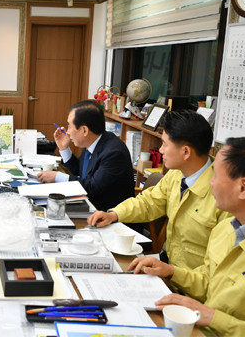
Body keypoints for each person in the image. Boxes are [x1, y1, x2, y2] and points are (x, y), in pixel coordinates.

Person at [128, 137, 245, 337]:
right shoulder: (227, 228)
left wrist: (213, 318)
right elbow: (211, 281)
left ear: (244, 187)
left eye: (216, 176)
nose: (210, 182)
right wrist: (171, 271)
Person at [88, 111, 231, 269]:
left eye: (164, 144)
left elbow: (217, 265)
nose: (160, 150)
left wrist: (174, 274)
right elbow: (148, 203)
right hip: (168, 264)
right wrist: (114, 214)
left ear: (186, 152)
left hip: (191, 281)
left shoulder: (222, 196)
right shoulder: (177, 174)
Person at [37, 100, 135, 211]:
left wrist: (57, 177)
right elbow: (79, 171)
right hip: (91, 207)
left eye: (69, 126)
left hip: (111, 217)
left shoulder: (114, 153)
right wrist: (64, 148)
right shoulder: (93, 141)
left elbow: (92, 188)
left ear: (84, 130)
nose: (67, 132)